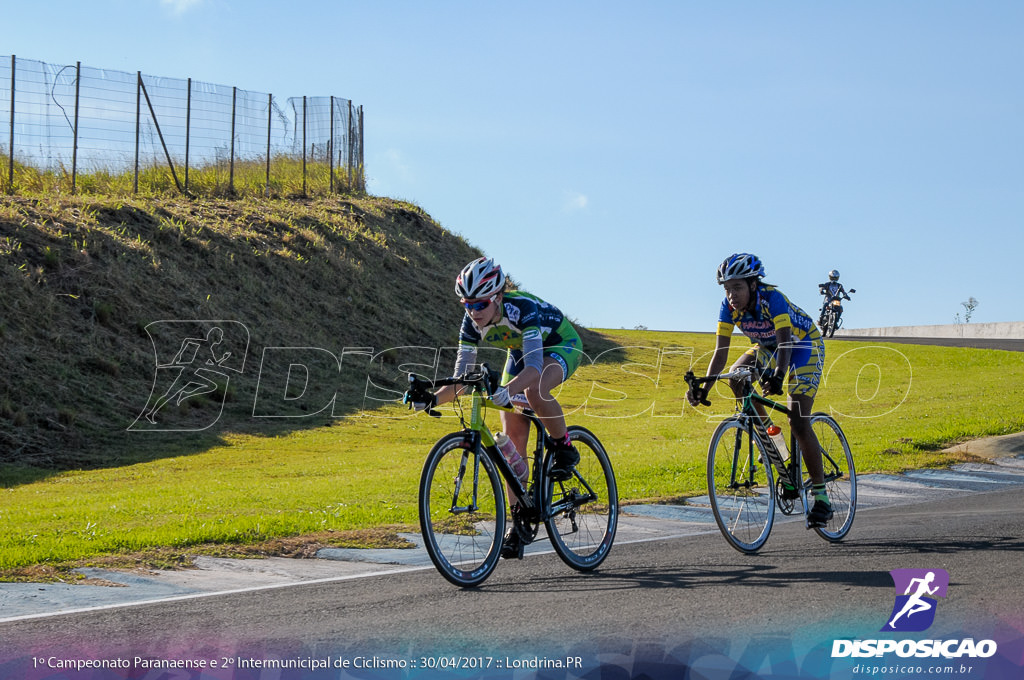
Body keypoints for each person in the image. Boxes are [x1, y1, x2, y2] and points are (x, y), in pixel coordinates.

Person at [411, 256, 585, 557]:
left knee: (533, 390)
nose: (473, 311)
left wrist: (507, 390)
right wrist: (432, 398)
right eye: (467, 304)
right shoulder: (470, 322)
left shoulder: (522, 308)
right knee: (513, 445)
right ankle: (518, 522)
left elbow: (533, 366)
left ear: (498, 297)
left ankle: (564, 446)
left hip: (559, 345)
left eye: (480, 305)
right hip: (518, 353)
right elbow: (463, 378)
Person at [686, 253, 833, 527]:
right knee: (737, 377)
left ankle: (822, 499)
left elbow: (786, 342)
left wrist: (778, 376)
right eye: (727, 289)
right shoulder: (727, 308)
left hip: (802, 345)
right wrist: (704, 387)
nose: (731, 295)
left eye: (737, 287)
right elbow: (721, 352)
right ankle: (773, 443)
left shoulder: (772, 298)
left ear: (753, 285)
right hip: (769, 347)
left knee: (798, 419)